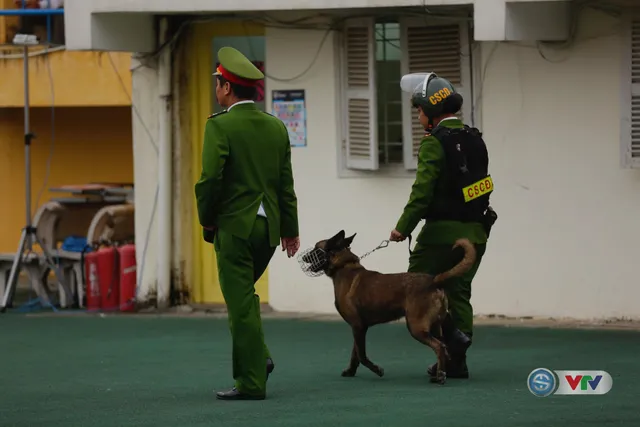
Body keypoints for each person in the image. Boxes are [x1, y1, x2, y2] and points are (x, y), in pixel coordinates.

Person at [194, 46, 300, 401]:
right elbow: (286, 184)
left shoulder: (219, 127)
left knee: (239, 305)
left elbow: (210, 181)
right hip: (268, 231)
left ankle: (252, 382)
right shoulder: (276, 127)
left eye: (217, 83)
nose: (216, 89)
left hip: (235, 229)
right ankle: (261, 358)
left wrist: (207, 221)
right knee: (245, 300)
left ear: (226, 88)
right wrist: (290, 229)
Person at [389, 72, 497, 380]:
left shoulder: (434, 144)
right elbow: (480, 188)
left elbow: (422, 193)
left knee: (418, 285)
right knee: (459, 293)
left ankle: (452, 340)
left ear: (431, 112)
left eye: (419, 110)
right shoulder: (476, 139)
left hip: (440, 236)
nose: (419, 116)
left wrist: (402, 227)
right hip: (476, 233)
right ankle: (457, 361)